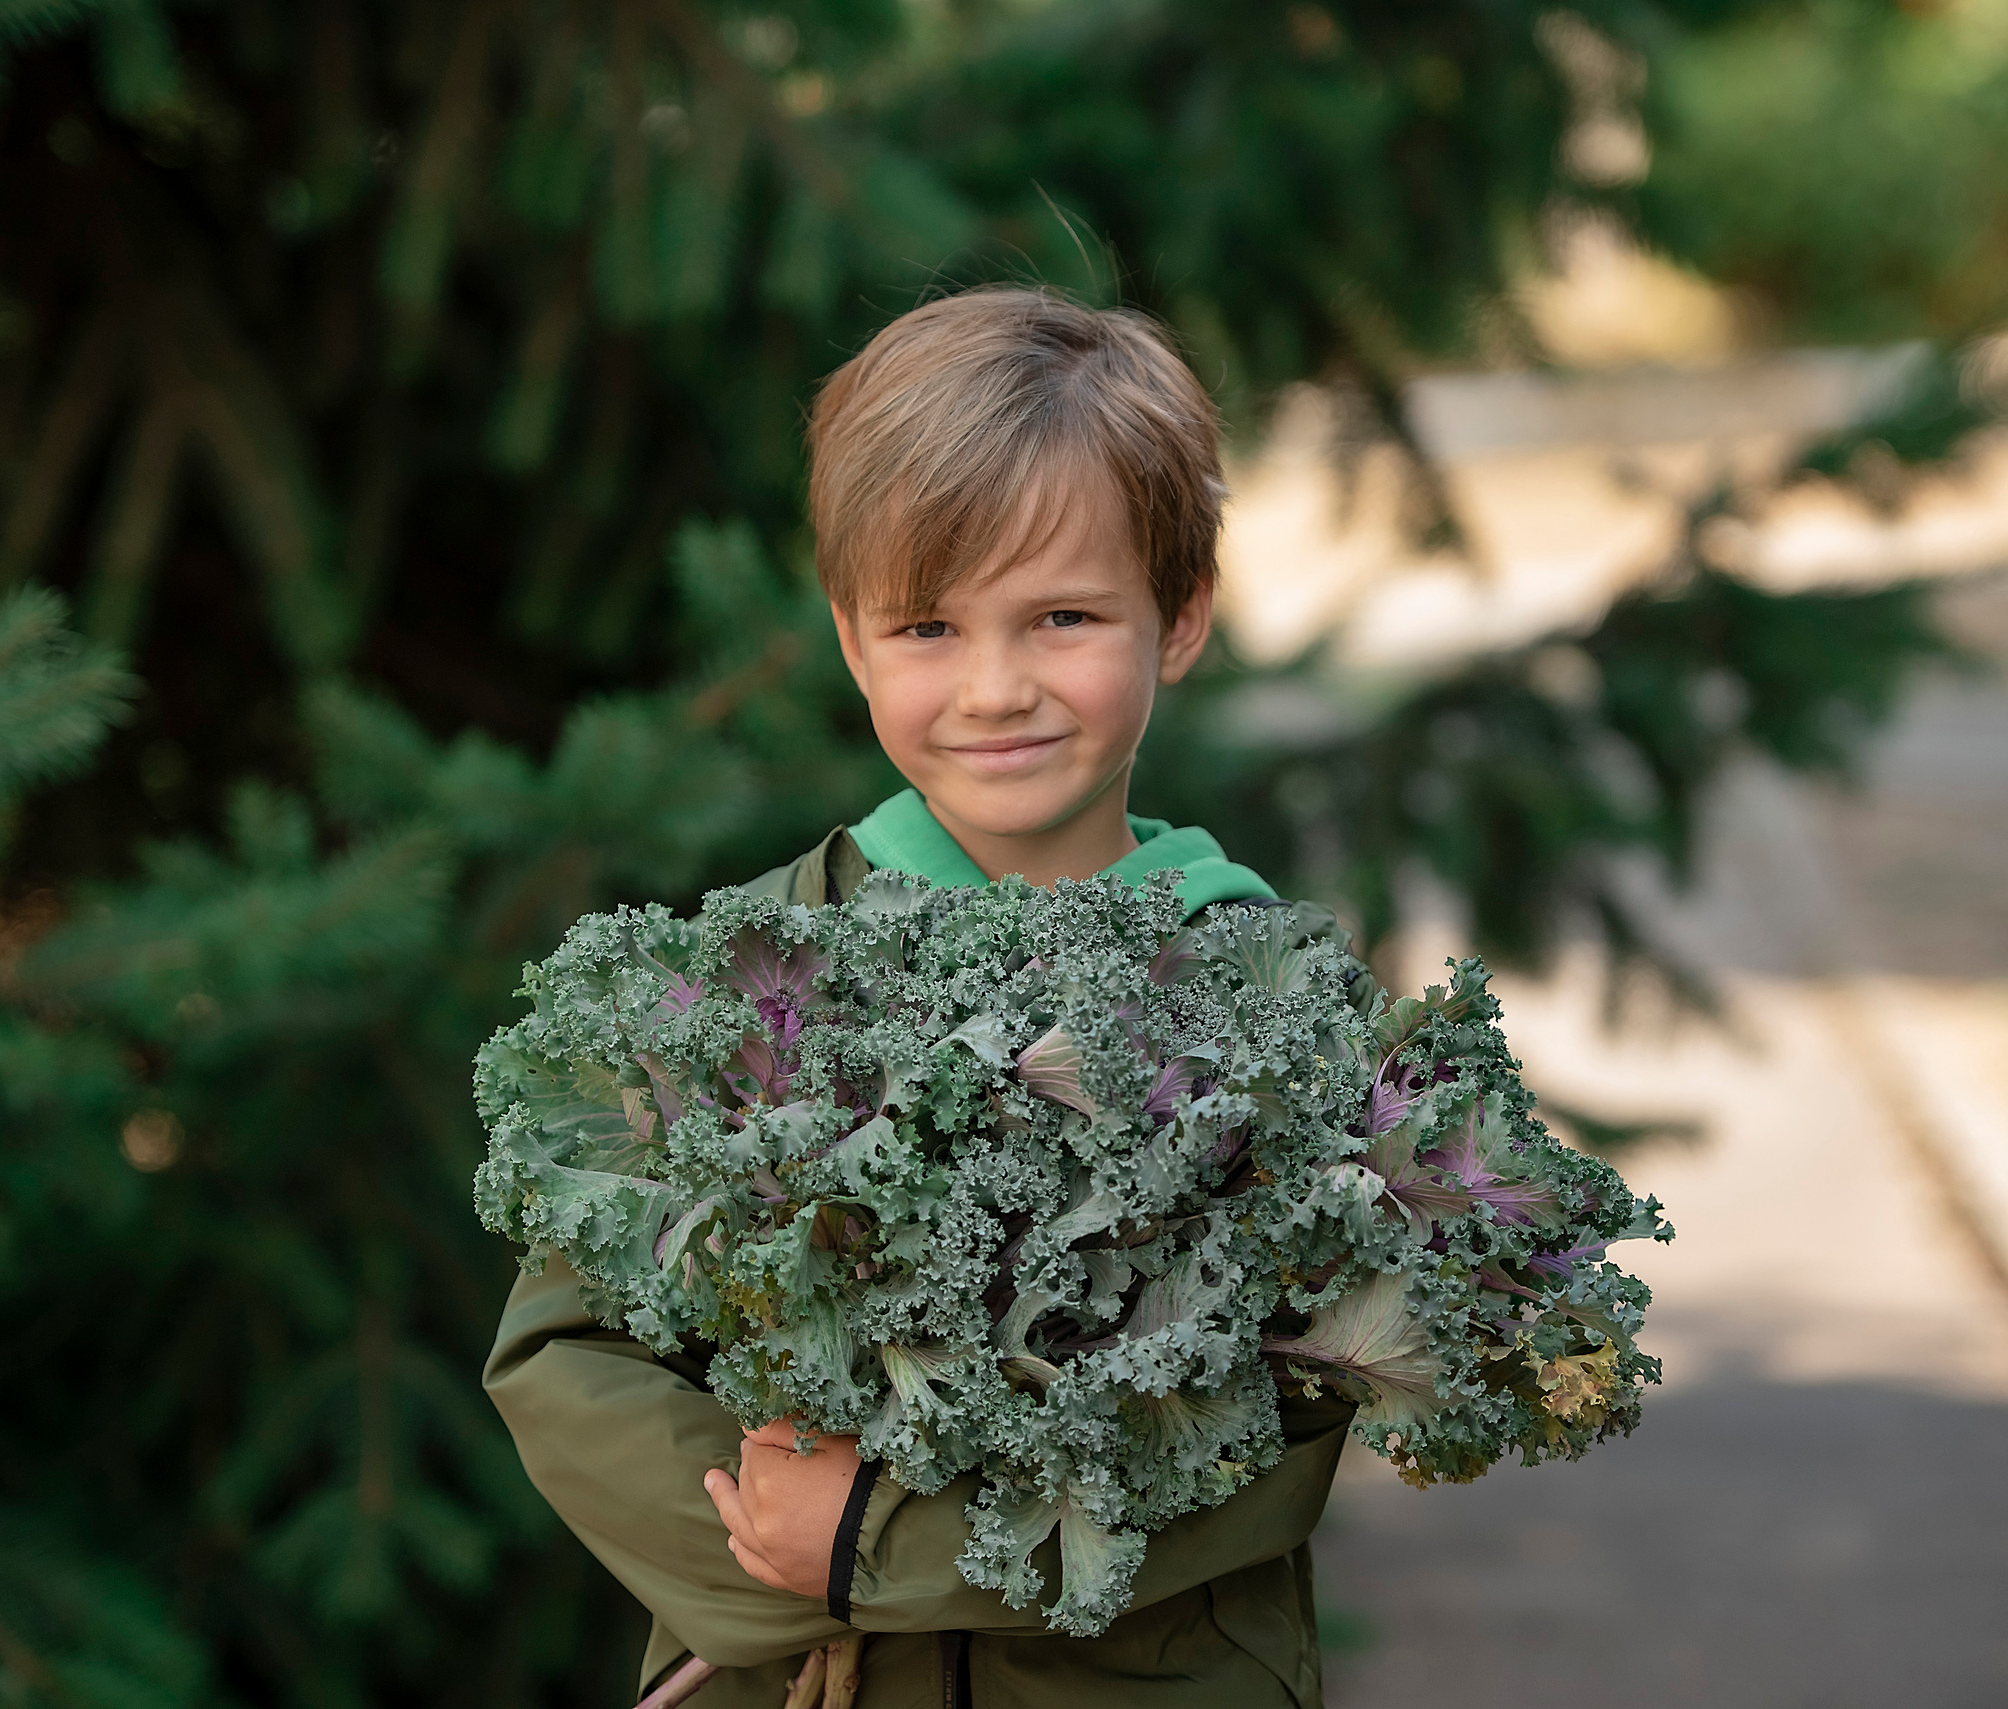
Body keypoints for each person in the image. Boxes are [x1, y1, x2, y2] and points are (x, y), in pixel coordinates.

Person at [484, 287, 1356, 1709]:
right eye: (930, 627)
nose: (997, 687)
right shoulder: (761, 972)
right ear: (850, 638)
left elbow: (1279, 1429)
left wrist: (876, 1545)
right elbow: (564, 1357)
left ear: (1180, 617)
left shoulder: (1257, 992)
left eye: (1063, 616)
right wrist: (788, 1562)